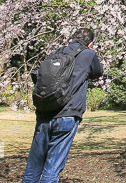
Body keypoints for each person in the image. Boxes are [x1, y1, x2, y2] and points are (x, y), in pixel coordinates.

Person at [22, 28, 103, 183]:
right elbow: (97, 72)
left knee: (33, 167)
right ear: (90, 43)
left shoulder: (56, 53)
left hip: (45, 114)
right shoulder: (89, 54)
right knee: (51, 170)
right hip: (68, 114)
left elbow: (38, 76)